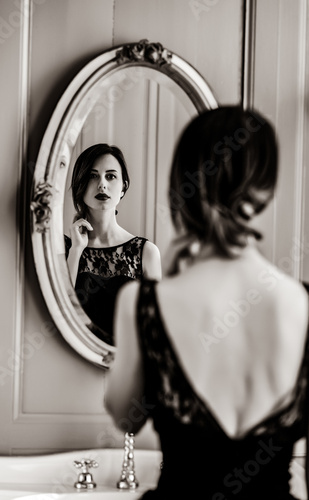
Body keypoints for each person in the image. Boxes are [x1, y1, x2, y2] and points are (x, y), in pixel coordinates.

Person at [105, 106, 309, 499]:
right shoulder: (303, 304)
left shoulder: (144, 301)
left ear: (180, 185)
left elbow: (124, 415)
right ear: (265, 190)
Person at [65, 143, 162, 345]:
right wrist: (76, 251)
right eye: (93, 175)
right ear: (80, 184)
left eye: (110, 176)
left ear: (123, 187)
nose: (102, 184)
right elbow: (57, 311)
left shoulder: (146, 253)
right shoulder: (62, 248)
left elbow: (154, 331)